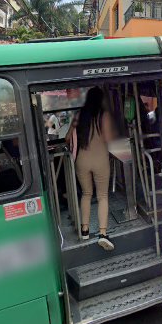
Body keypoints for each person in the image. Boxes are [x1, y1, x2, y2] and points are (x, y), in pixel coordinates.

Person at [69, 87, 115, 251]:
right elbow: (109, 139)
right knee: (102, 196)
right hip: (100, 159)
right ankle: (103, 234)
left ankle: (85, 229)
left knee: (86, 194)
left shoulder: (79, 115)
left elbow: (68, 137)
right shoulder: (104, 115)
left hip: (81, 160)